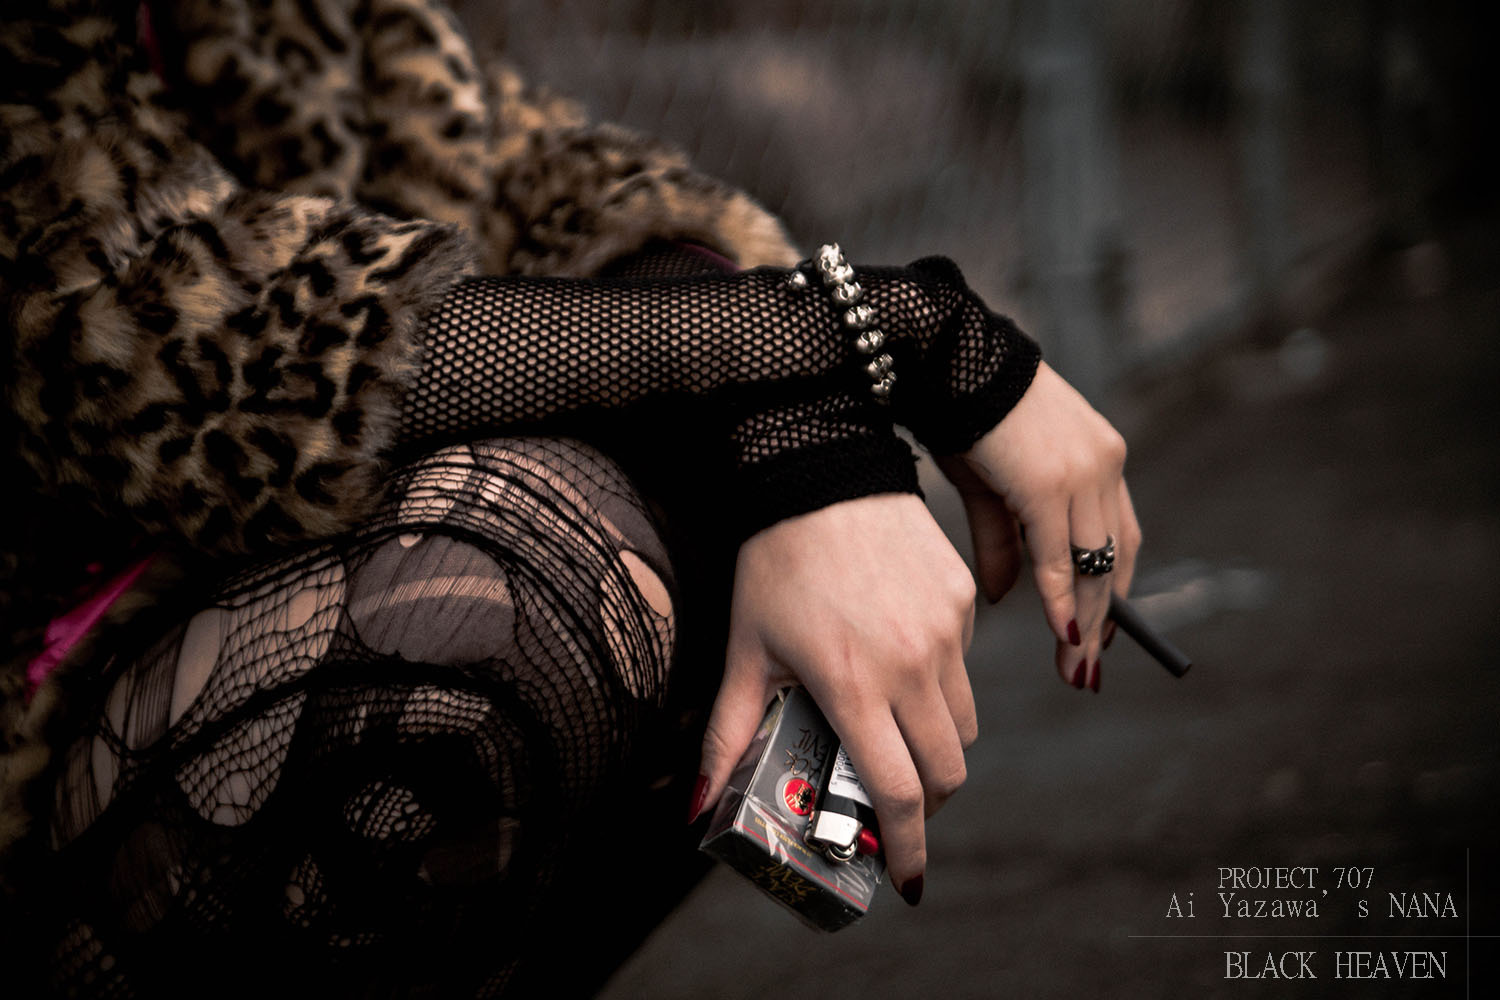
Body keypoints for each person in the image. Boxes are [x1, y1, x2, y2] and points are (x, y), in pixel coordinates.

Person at [0, 0, 1138, 994]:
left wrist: (805, 445)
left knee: (692, 540)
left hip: (203, 641)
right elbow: (120, 326)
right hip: (42, 725)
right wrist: (889, 328)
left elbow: (539, 177)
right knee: (498, 579)